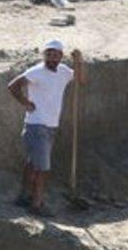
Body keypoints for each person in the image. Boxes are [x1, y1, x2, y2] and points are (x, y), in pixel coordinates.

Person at [7, 40, 87, 217]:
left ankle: (24, 196)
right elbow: (13, 86)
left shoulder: (64, 72)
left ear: (60, 56)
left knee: (32, 163)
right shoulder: (36, 72)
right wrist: (25, 102)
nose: (51, 58)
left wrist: (79, 61)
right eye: (48, 54)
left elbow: (81, 80)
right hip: (36, 125)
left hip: (50, 126)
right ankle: (36, 205)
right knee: (42, 169)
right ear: (44, 55)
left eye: (55, 55)